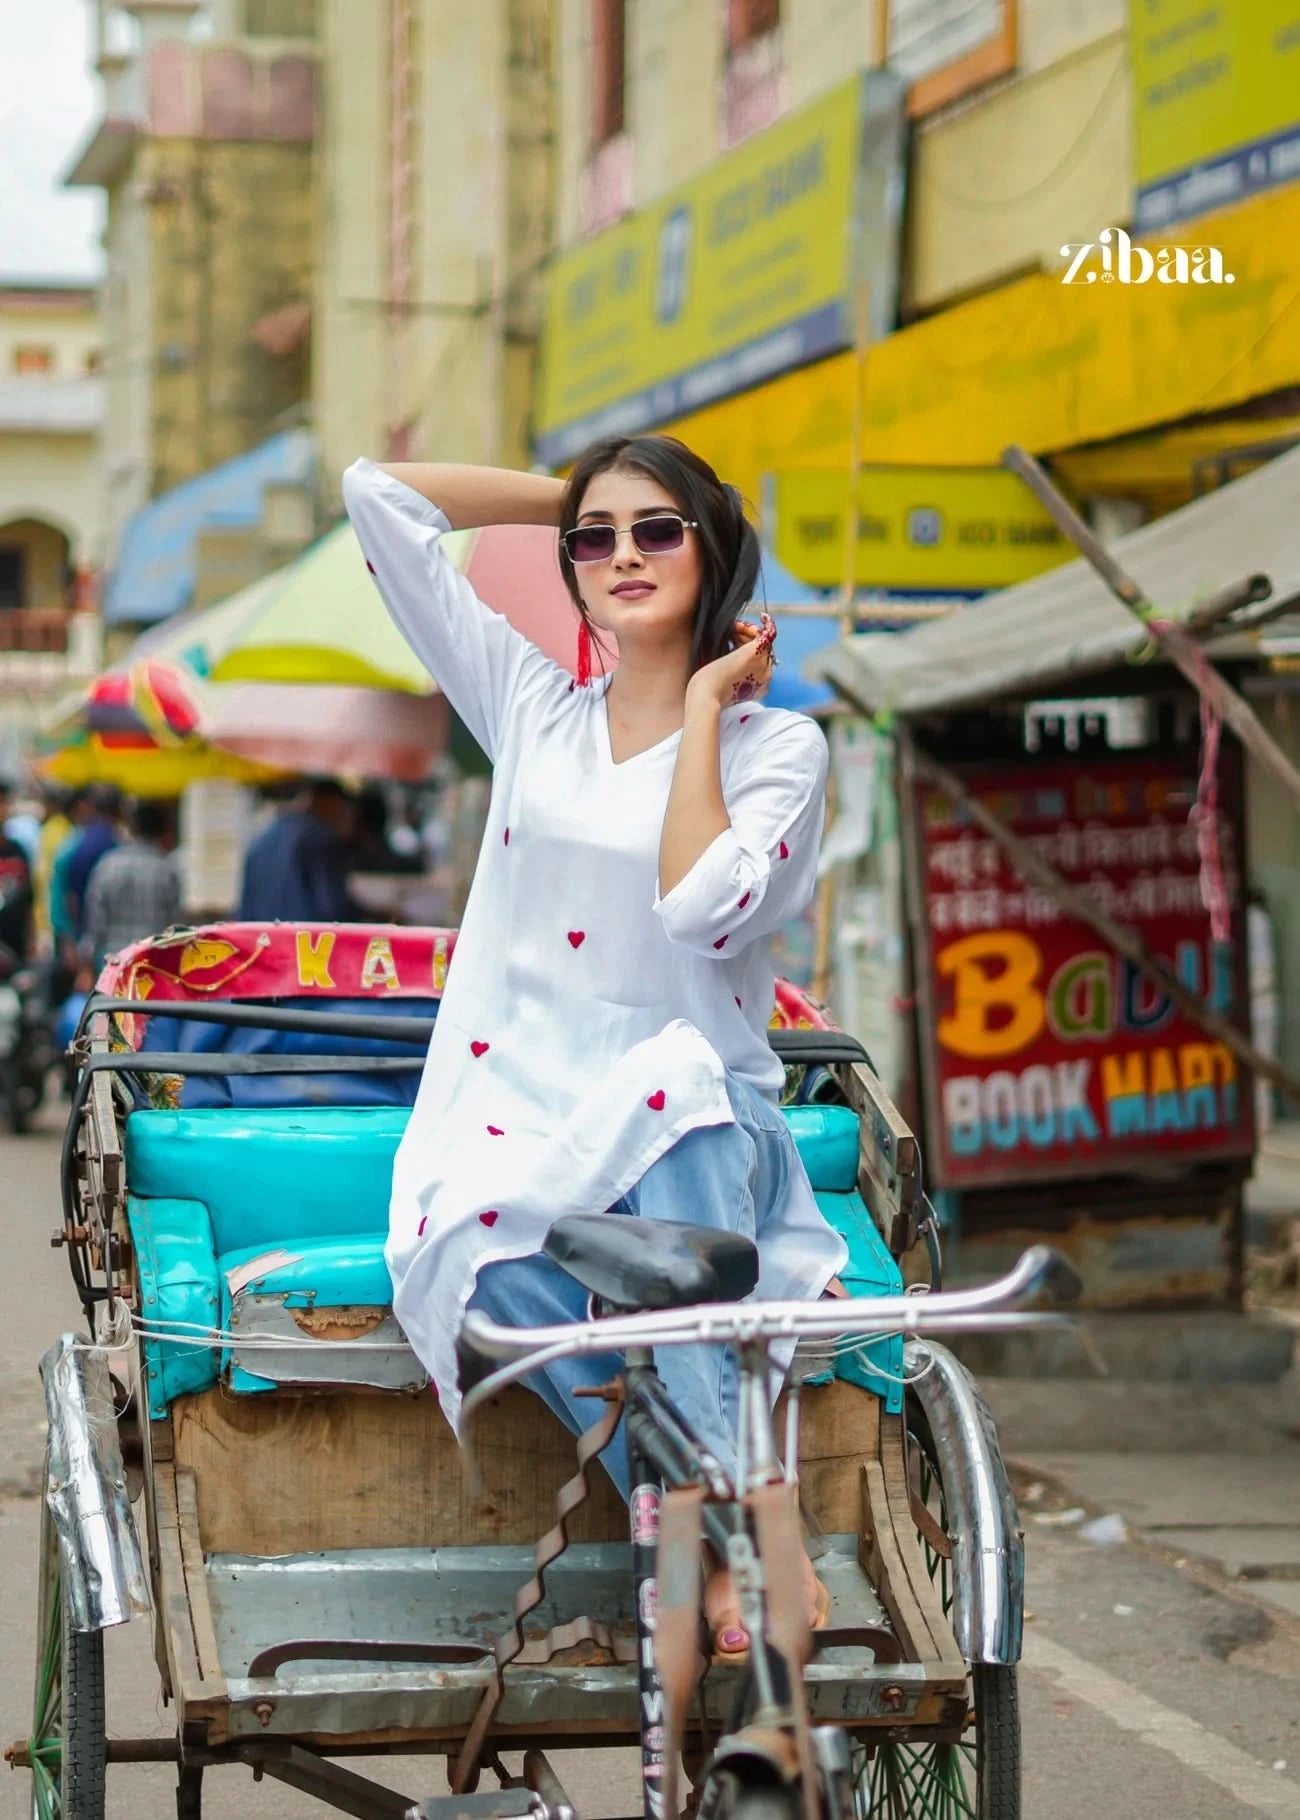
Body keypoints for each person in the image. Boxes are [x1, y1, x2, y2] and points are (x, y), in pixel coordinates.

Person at [343, 433, 846, 1651]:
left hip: (701, 1141)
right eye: (595, 538)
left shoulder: (778, 750)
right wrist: (574, 492)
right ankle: (718, 1528)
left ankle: (732, 1530)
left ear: (713, 546)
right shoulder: (527, 705)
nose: (623, 554)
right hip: (519, 1124)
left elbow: (698, 907)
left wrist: (709, 707)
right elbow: (381, 497)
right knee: (475, 1257)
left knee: (671, 1077)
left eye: (659, 529)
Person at [237, 778, 362, 922]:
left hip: (263, 939)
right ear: (330, 801)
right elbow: (331, 905)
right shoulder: (319, 837)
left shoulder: (262, 837)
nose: (342, 816)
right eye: (342, 809)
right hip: (306, 939)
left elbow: (245, 906)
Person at [81, 798, 182, 972]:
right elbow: (174, 923)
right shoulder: (166, 870)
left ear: (132, 828)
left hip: (112, 961)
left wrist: (87, 962)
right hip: (152, 962)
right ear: (162, 832)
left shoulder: (107, 865)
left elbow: (96, 919)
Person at [62, 783, 122, 940]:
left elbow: (71, 896)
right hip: (112, 936)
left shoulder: (78, 842)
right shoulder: (116, 844)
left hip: (88, 933)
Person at [0, 779, 34, 960]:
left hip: (15, 949)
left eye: (4, 802)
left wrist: (32, 938)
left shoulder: (17, 850)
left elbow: (29, 896)